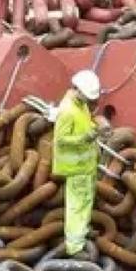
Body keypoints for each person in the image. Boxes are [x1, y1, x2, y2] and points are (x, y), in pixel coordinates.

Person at [52, 70, 102, 255]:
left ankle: (83, 233)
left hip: (86, 165)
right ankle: (74, 246)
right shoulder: (67, 111)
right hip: (75, 168)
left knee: (86, 201)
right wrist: (85, 138)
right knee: (77, 205)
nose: (90, 100)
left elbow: (85, 124)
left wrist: (94, 133)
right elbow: (61, 140)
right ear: (78, 90)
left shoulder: (81, 105)